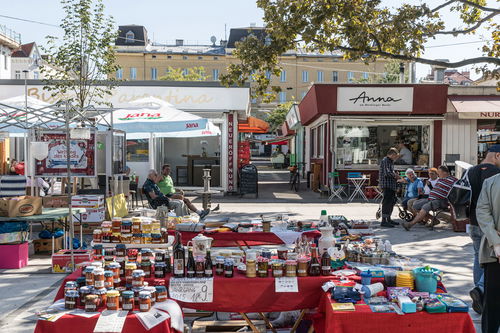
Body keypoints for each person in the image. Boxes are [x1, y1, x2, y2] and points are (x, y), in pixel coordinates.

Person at [467, 144, 500, 314]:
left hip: (473, 221)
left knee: (477, 257)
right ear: (497, 156)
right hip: (490, 226)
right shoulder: (495, 175)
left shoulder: (471, 170)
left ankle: (478, 292)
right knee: (491, 261)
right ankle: (481, 290)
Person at [476, 173, 500, 333]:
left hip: (495, 249)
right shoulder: (491, 182)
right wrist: (496, 243)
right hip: (494, 251)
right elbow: (483, 212)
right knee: (492, 303)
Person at [402, 165, 457, 230]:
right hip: (430, 198)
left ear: (445, 172)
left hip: (441, 200)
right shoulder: (440, 179)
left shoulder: (453, 180)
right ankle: (434, 220)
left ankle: (410, 224)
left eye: (439, 172)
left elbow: (458, 190)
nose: (438, 174)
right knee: (415, 205)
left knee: (425, 207)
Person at [379, 148, 400, 228]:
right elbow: (387, 173)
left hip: (391, 185)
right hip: (387, 184)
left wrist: (395, 173)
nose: (396, 158)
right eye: (395, 156)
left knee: (391, 202)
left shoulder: (390, 162)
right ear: (392, 154)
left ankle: (388, 218)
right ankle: (384, 221)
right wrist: (396, 175)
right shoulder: (386, 161)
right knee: (386, 202)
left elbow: (390, 171)